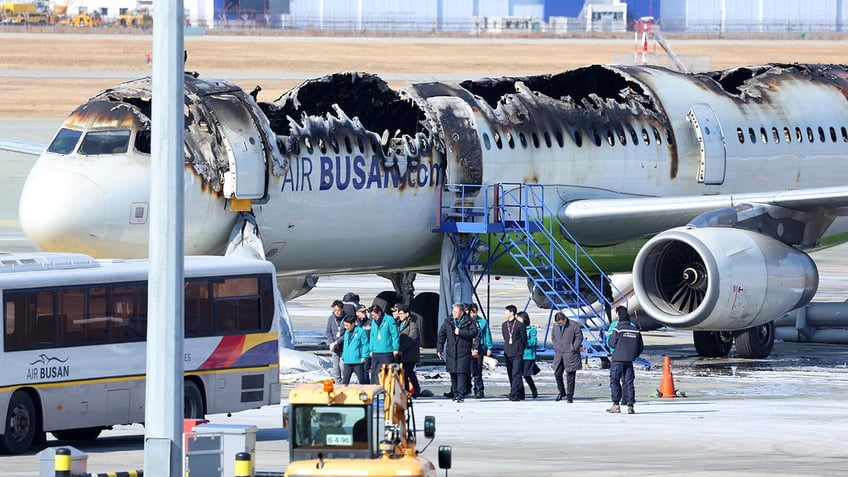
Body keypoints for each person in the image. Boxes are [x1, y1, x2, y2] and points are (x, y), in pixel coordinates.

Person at [436, 302, 478, 402]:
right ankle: (455, 393)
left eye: (456, 312)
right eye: (453, 311)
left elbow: (474, 333)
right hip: (451, 351)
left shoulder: (469, 321)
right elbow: (441, 335)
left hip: (463, 351)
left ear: (462, 312)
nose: (454, 313)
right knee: (453, 373)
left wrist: (461, 332)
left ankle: (460, 394)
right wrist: (439, 348)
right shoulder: (448, 321)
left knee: (461, 373)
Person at [607, 306, 644, 414]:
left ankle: (616, 404)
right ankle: (630, 406)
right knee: (629, 383)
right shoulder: (635, 330)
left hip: (617, 359)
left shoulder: (618, 329)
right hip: (629, 361)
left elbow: (611, 343)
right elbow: (640, 347)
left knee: (614, 381)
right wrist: (632, 355)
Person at [551, 311, 584, 402]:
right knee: (557, 373)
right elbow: (553, 337)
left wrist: (574, 347)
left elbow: (579, 337)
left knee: (570, 375)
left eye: (561, 323)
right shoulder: (555, 327)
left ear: (564, 319)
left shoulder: (574, 325)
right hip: (559, 354)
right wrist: (556, 346)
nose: (560, 325)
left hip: (571, 354)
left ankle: (570, 395)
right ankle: (562, 392)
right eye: (559, 323)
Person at [368, 304, 399, 385]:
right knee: (374, 372)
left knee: (387, 373)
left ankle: (388, 390)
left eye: (374, 315)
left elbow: (394, 335)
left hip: (386, 351)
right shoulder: (373, 322)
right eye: (372, 315)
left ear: (379, 313)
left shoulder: (389, 320)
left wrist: (395, 348)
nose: (373, 317)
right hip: (376, 351)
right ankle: (373, 389)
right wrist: (371, 349)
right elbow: (372, 335)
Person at [395, 303, 421, 397]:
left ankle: (416, 389)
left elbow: (412, 338)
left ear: (407, 314)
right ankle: (406, 390)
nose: (400, 315)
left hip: (410, 354)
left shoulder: (412, 325)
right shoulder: (399, 324)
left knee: (409, 372)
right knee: (404, 373)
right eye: (399, 313)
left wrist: (401, 348)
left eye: (402, 313)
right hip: (402, 354)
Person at [501, 304, 526, 401]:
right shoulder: (504, 325)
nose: (505, 313)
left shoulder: (520, 325)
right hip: (508, 352)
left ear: (512, 312)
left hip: (517, 353)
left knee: (516, 373)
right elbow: (505, 337)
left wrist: (520, 348)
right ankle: (519, 392)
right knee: (511, 373)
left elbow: (524, 339)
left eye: (507, 311)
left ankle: (513, 393)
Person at [469, 303, 492, 399]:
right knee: (468, 370)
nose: (473, 315)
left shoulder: (482, 322)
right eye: (471, 312)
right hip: (468, 348)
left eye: (475, 312)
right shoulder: (467, 321)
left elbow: (487, 334)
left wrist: (489, 347)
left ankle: (479, 390)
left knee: (477, 371)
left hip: (479, 348)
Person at [340, 315, 369, 385]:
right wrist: (343, 356)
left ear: (352, 324)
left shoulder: (360, 331)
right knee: (345, 382)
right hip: (347, 361)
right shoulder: (346, 332)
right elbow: (345, 346)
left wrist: (364, 356)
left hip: (357, 361)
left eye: (347, 325)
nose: (345, 327)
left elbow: (365, 344)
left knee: (362, 380)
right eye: (344, 325)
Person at [325, 299, 347, 382]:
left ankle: (345, 382)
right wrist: (331, 342)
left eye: (338, 310)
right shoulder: (331, 318)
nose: (336, 312)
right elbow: (328, 331)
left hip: (343, 346)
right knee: (335, 366)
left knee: (343, 366)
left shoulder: (346, 318)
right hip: (334, 346)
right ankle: (338, 383)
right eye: (334, 310)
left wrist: (338, 342)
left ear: (342, 309)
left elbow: (347, 333)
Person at [518, 311, 538, 399]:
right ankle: (520, 392)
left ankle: (533, 389)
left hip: (528, 355)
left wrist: (524, 342)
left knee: (526, 374)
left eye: (519, 318)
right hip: (519, 354)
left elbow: (534, 341)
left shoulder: (531, 329)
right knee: (518, 374)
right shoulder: (517, 328)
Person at [354, 303, 372, 383]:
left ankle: (367, 388)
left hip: (366, 351)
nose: (364, 313)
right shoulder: (354, 323)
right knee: (358, 372)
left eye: (365, 312)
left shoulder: (370, 323)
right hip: (357, 351)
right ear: (357, 313)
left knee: (365, 371)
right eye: (362, 312)